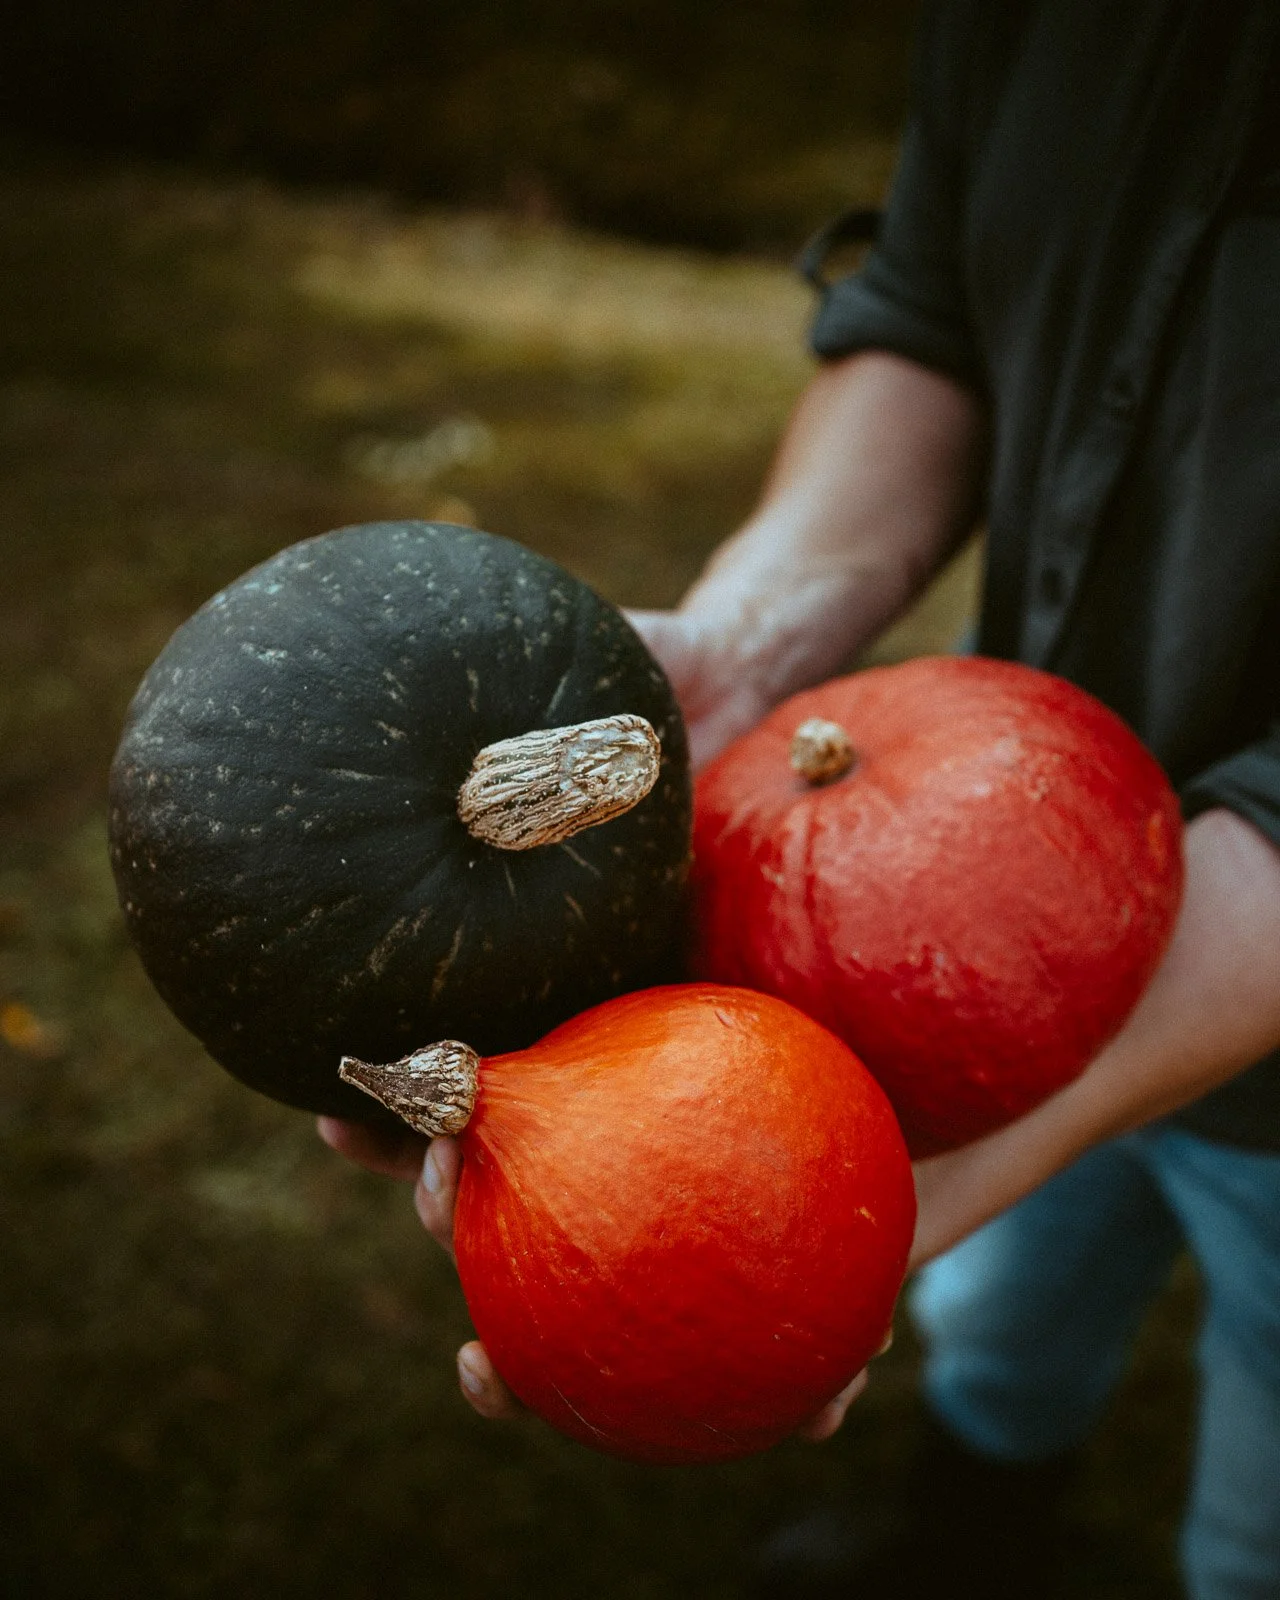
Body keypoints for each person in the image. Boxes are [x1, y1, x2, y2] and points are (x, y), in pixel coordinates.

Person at [321, 3, 1280, 1594]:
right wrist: (751, 637)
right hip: (963, 945)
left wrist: (910, 1180)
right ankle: (974, 1515)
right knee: (1007, 1316)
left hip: (1109, 975)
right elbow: (932, 312)